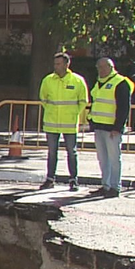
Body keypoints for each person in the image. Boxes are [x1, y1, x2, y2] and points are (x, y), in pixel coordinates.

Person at [37, 52, 89, 191]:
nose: (56, 66)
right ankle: (50, 179)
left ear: (67, 65)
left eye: (59, 64)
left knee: (72, 152)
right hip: (52, 122)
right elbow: (43, 98)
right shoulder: (48, 80)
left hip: (69, 123)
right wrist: (50, 110)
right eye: (55, 64)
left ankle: (73, 179)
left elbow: (83, 101)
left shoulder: (77, 80)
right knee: (52, 152)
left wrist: (73, 113)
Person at [88, 57, 133, 198]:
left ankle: (115, 187)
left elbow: (124, 107)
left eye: (102, 67)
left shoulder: (120, 83)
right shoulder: (99, 83)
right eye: (98, 67)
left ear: (110, 67)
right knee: (103, 159)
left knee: (114, 159)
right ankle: (105, 185)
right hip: (100, 126)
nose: (100, 70)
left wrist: (118, 127)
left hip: (112, 129)